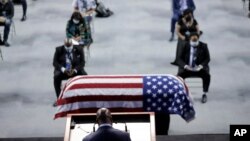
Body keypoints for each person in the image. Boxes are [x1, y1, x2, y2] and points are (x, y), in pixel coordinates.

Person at [176, 32, 210, 103]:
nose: (194, 41)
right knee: (179, 77)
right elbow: (179, 59)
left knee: (207, 76)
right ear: (189, 40)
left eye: (195, 40)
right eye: (192, 40)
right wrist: (185, 66)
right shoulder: (185, 45)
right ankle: (182, 93)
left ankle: (204, 93)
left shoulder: (204, 46)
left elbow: (207, 58)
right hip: (187, 69)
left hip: (199, 69)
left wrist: (200, 66)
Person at [53, 38, 87, 103]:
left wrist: (75, 70)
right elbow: (55, 63)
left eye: (70, 47)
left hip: (75, 70)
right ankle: (59, 98)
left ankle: (84, 96)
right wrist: (63, 69)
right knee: (56, 77)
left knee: (85, 76)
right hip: (63, 70)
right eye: (66, 47)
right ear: (64, 45)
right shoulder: (58, 50)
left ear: (72, 44)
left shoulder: (79, 49)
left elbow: (82, 63)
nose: (68, 48)